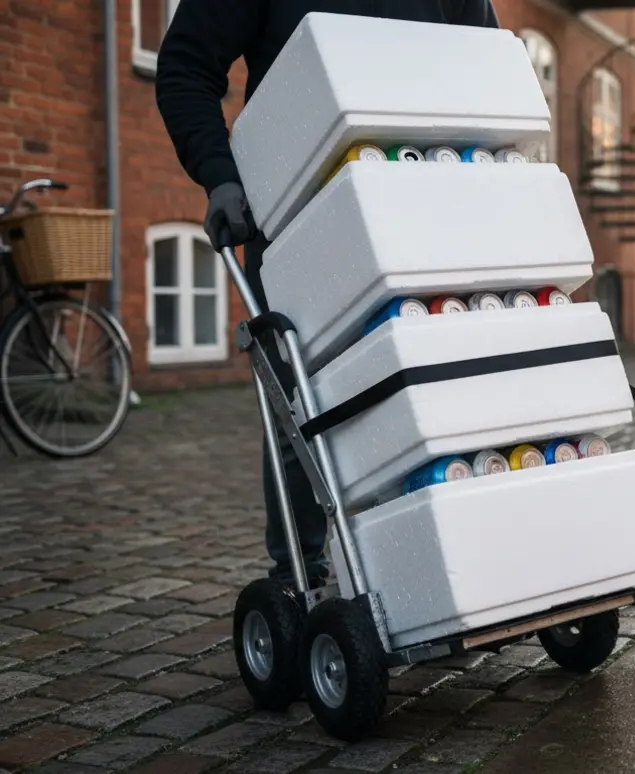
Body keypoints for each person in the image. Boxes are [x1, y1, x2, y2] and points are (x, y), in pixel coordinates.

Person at [155, 0, 501, 590]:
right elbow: (186, 66)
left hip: (426, 216)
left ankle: (448, 552)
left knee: (442, 389)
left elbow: (487, 69)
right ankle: (303, 573)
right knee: (308, 404)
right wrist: (219, 174)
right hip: (299, 222)